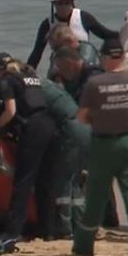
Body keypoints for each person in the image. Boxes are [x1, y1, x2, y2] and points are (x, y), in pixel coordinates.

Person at [55, 46, 128, 233]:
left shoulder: (92, 79)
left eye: (62, 68)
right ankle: (112, 218)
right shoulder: (88, 77)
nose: (62, 74)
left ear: (70, 63)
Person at [73, 38, 128, 256]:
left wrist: (101, 118)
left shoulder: (95, 83)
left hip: (102, 143)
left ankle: (84, 245)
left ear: (105, 58)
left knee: (96, 197)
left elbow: (82, 116)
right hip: (127, 141)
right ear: (123, 57)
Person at [0, 60, 58, 241]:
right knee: (45, 181)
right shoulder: (32, 78)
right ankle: (48, 230)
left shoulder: (8, 80)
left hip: (33, 129)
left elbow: (10, 111)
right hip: (49, 125)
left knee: (23, 181)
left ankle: (13, 231)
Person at [39, 77, 89, 239]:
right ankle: (80, 224)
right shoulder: (52, 87)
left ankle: (64, 227)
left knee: (63, 180)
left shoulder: (37, 89)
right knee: (74, 180)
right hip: (84, 127)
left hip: (71, 130)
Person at [27, 0, 118, 69]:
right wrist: (27, 72)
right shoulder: (47, 24)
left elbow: (106, 34)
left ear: (72, 3)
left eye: (67, 2)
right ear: (53, 4)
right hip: (60, 65)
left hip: (84, 61)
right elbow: (37, 52)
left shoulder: (83, 17)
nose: (63, 6)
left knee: (88, 48)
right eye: (59, 3)